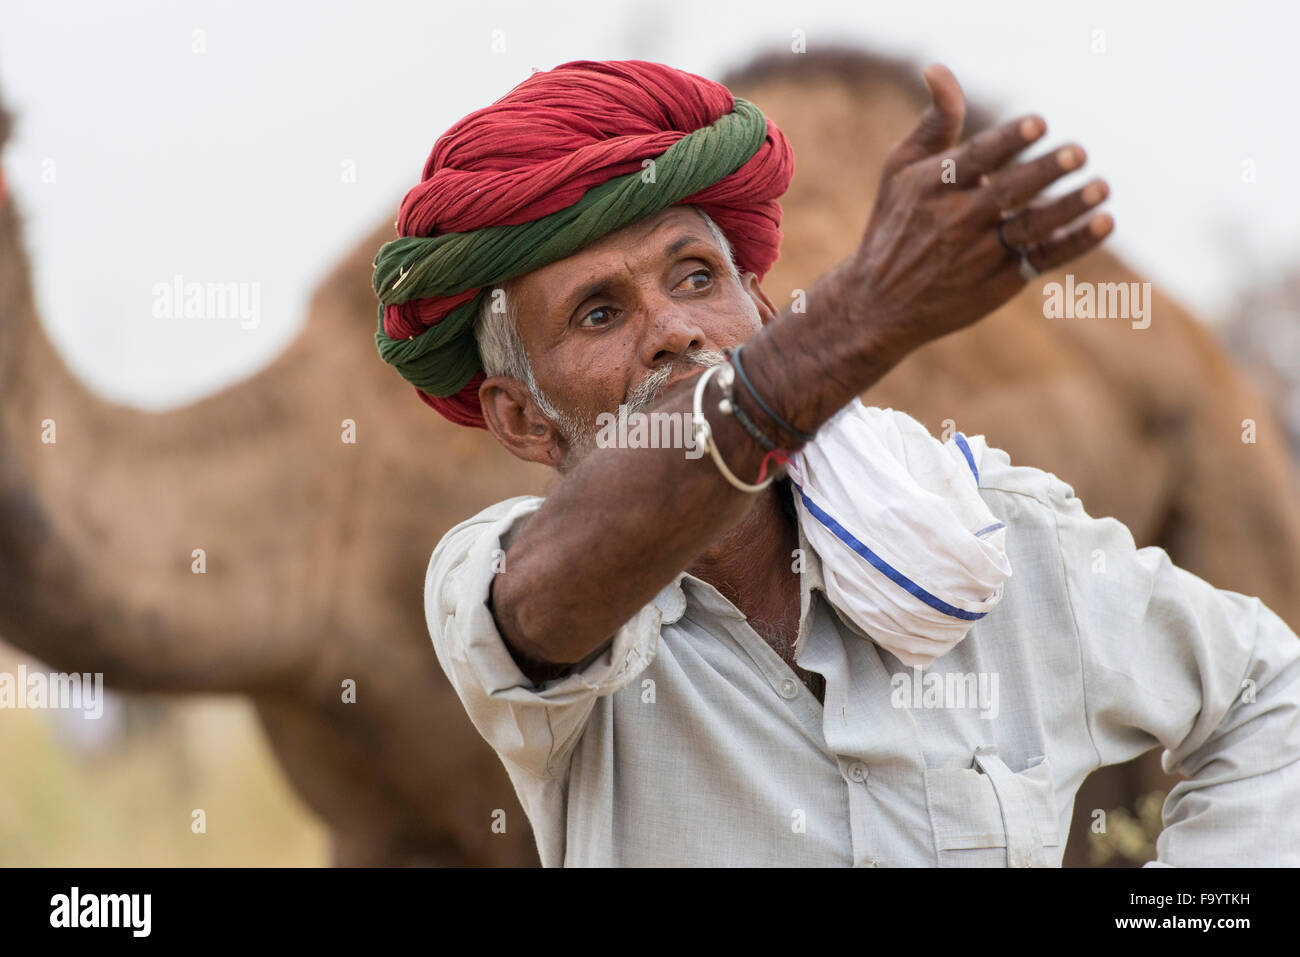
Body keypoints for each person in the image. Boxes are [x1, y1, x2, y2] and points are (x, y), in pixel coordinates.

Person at [373, 58, 1300, 866]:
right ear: (523, 420)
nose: (676, 330)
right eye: (599, 313)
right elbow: (543, 602)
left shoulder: (987, 540)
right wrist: (856, 319)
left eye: (697, 275)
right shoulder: (507, 588)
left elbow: (1269, 692)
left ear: (765, 310)